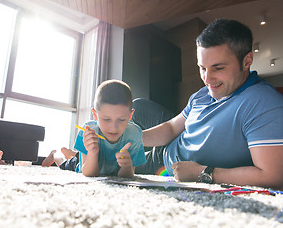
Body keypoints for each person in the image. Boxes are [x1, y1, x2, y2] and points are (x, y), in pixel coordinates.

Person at [135, 19, 283, 190]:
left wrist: (203, 173)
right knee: (137, 107)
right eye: (202, 68)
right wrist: (132, 137)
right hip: (170, 145)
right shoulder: (203, 93)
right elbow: (171, 128)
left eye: (218, 68)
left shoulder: (264, 104)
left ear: (247, 61)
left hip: (166, 167)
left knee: (110, 164)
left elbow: (274, 176)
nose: (207, 79)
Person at [42, 80, 146, 178]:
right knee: (63, 163)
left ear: (130, 115)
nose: (114, 128)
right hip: (87, 163)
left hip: (100, 159)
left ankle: (73, 153)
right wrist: (92, 152)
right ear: (95, 115)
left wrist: (127, 166)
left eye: (122, 119)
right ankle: (55, 153)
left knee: (79, 155)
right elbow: (89, 174)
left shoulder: (134, 134)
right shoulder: (89, 130)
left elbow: (126, 177)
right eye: (106, 119)